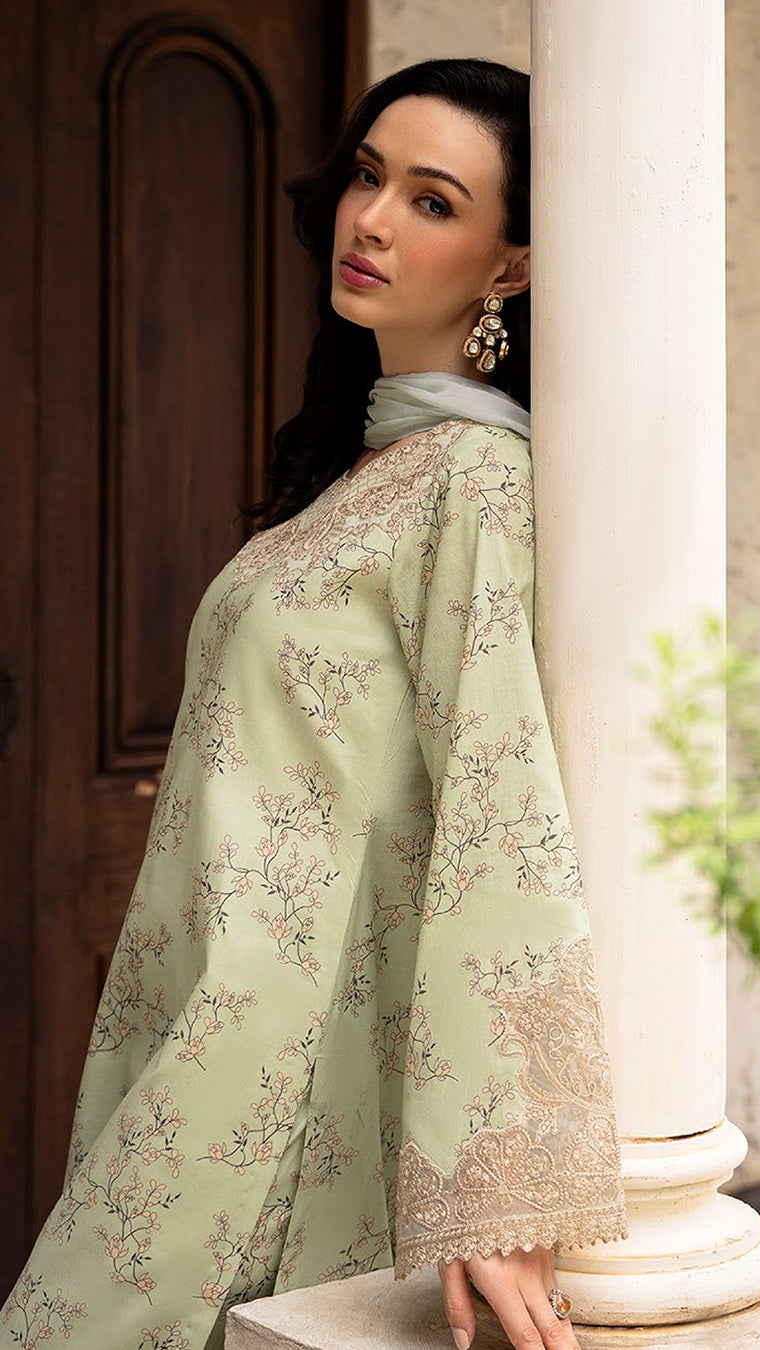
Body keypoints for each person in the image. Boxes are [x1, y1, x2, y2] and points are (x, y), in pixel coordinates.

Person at [1, 58, 627, 1350]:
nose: (373, 219)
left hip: (282, 1056)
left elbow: (503, 809)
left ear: (511, 265)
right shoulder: (370, 470)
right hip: (206, 1022)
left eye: (433, 201)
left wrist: (499, 1180)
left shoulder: (473, 482)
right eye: (367, 176)